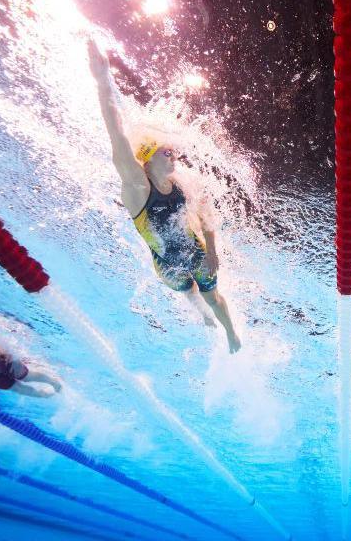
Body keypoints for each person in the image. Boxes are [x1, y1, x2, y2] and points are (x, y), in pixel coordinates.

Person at [87, 39, 241, 353]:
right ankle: (201, 313)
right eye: (167, 151)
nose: (174, 156)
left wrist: (212, 249)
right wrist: (103, 81)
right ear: (149, 156)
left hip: (196, 253)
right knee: (190, 294)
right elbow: (116, 135)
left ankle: (230, 333)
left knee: (214, 297)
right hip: (168, 267)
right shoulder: (137, 186)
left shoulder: (181, 180)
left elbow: (205, 209)